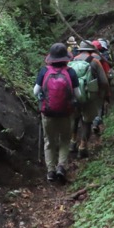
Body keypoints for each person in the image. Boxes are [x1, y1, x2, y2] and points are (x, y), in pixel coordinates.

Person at [34, 43, 80, 184]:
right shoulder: (71, 72)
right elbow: (78, 94)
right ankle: (61, 166)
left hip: (48, 113)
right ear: (66, 57)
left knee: (49, 141)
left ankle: (50, 171)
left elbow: (36, 91)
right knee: (65, 140)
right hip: (66, 113)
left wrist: (43, 98)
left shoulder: (44, 71)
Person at [71, 40, 109, 158]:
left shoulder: (71, 61)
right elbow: (104, 81)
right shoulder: (95, 61)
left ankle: (72, 142)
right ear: (90, 50)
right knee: (87, 122)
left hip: (74, 95)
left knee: (75, 118)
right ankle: (82, 147)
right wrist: (103, 95)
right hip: (89, 96)